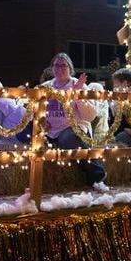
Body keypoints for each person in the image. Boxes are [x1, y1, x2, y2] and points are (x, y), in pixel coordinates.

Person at [41, 53, 105, 185]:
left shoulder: (78, 84)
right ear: (52, 68)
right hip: (50, 131)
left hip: (73, 128)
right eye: (56, 65)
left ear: (70, 68)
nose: (59, 69)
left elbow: (90, 115)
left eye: (63, 66)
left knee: (68, 138)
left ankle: (97, 174)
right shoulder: (46, 86)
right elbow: (34, 109)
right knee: (24, 134)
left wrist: (77, 94)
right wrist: (41, 121)